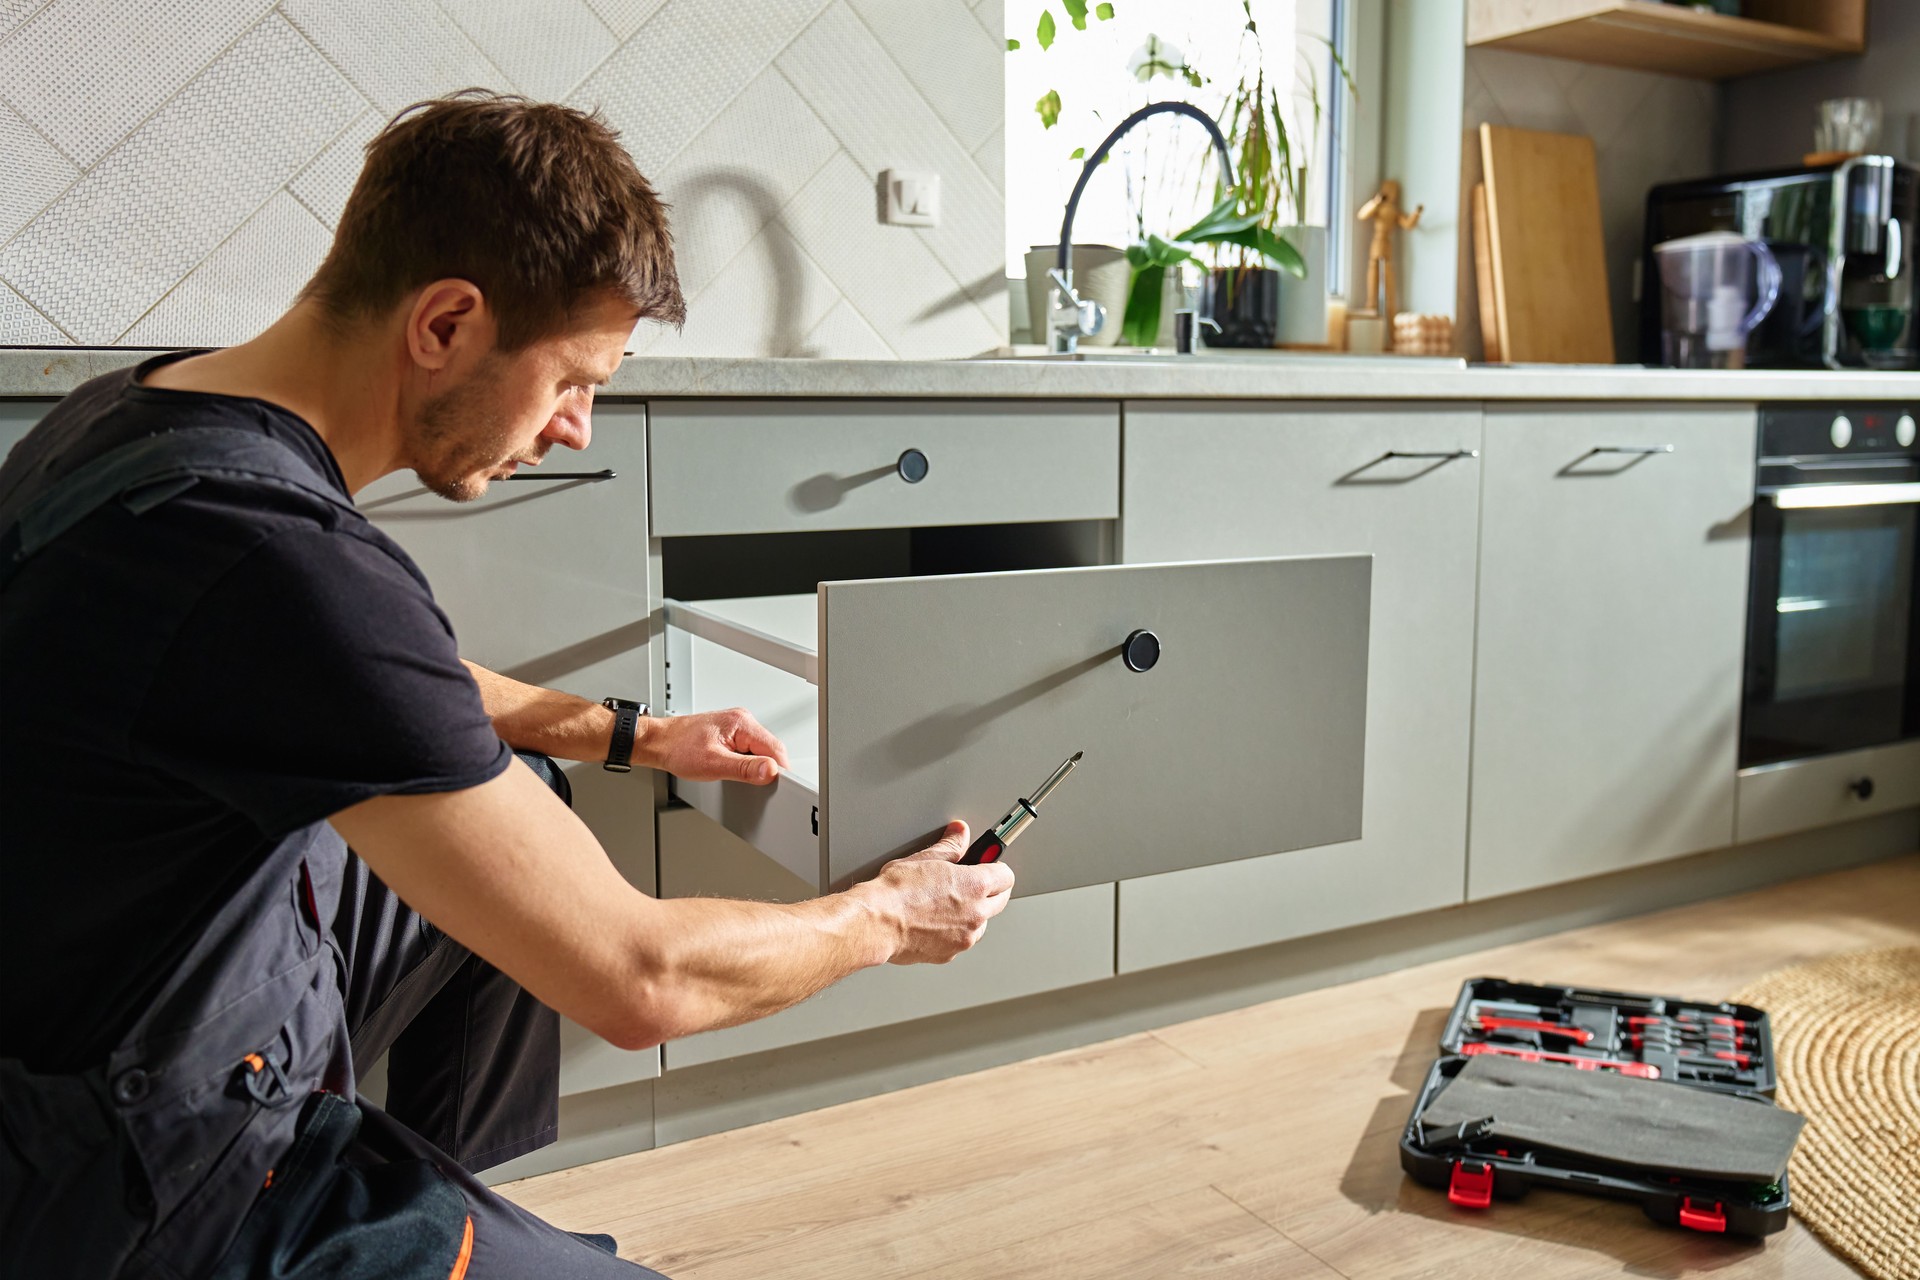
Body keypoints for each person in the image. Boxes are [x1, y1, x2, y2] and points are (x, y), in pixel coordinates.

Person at [0, 90, 1016, 1279]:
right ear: (446, 324)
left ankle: (439, 1204)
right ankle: (368, 1226)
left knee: (528, 788)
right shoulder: (283, 563)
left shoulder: (136, 419)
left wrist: (631, 735)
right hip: (137, 1190)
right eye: (572, 378)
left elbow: (374, 683)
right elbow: (642, 977)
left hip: (98, 1018)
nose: (578, 427)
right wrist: (889, 912)